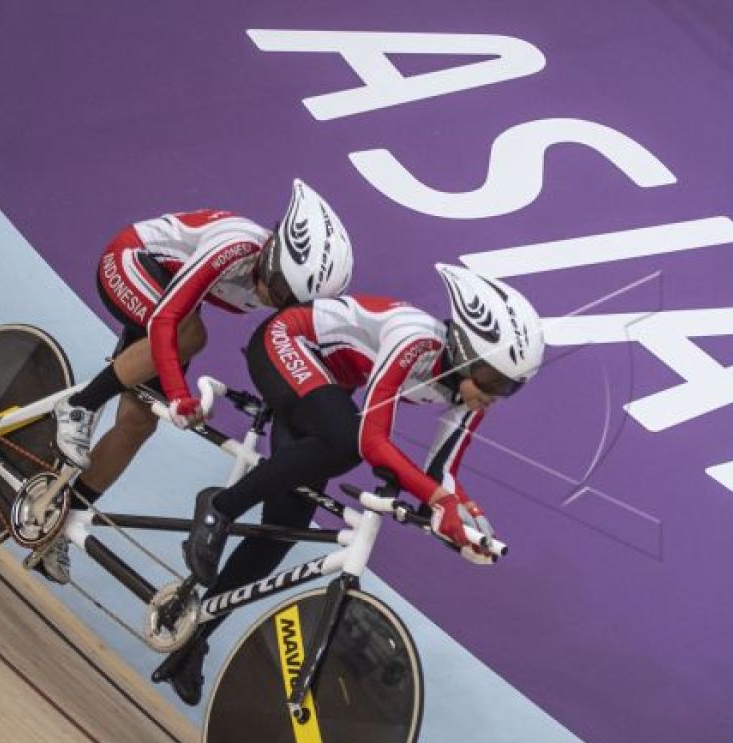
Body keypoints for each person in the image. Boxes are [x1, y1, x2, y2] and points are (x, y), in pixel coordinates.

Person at [151, 263, 546, 704]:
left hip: (324, 388)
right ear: (463, 349)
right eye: (491, 381)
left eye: (508, 389)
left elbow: (441, 476)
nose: (492, 397)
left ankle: (193, 639)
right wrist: (437, 500)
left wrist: (469, 524)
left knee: (282, 527)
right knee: (345, 441)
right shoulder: (414, 339)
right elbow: (371, 440)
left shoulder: (472, 398)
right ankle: (219, 507)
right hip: (286, 341)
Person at [39, 180, 353, 584]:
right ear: (273, 256)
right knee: (191, 335)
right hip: (129, 262)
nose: (277, 302)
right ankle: (79, 406)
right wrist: (178, 393)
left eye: (290, 301)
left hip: (168, 297)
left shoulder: (283, 283)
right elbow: (167, 321)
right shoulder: (236, 246)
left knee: (138, 423)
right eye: (278, 290)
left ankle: (61, 519)